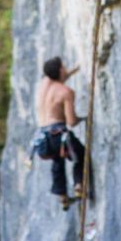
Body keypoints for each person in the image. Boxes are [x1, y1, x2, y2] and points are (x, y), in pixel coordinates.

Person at [36, 57, 86, 211]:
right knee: (81, 155)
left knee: (57, 161)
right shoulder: (66, 92)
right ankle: (79, 185)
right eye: (64, 67)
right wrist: (83, 118)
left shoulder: (43, 85)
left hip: (43, 138)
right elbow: (71, 121)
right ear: (59, 71)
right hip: (59, 134)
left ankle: (62, 196)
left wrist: (75, 69)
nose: (66, 69)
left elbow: (59, 77)